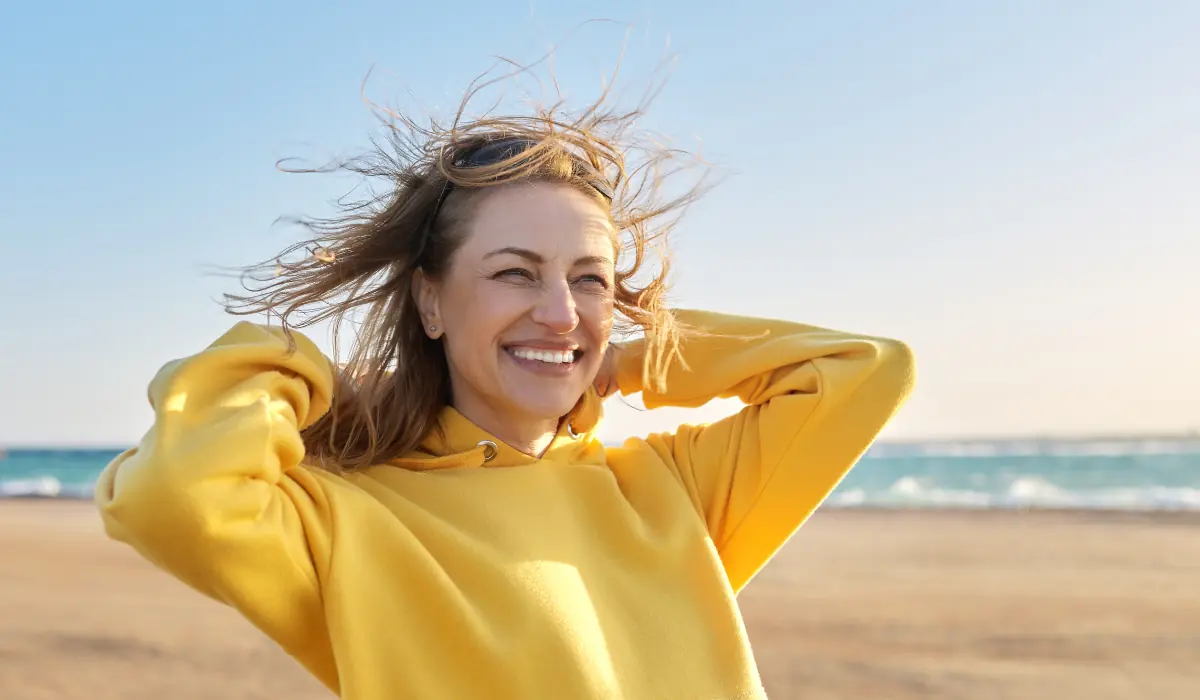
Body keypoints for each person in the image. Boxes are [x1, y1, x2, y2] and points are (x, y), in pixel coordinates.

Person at [95, 87, 915, 699]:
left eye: (588, 280)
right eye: (514, 273)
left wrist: (621, 361)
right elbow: (172, 497)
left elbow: (862, 370)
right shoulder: (348, 518)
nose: (560, 312)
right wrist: (320, 381)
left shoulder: (672, 490)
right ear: (430, 301)